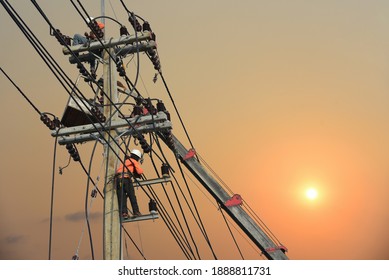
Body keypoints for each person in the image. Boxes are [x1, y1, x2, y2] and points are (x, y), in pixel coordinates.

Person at [115, 149, 143, 219]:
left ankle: (124, 213)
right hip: (126, 179)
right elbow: (140, 171)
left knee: (122, 197)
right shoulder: (133, 161)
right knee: (132, 196)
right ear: (137, 157)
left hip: (119, 180)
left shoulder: (125, 162)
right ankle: (136, 212)